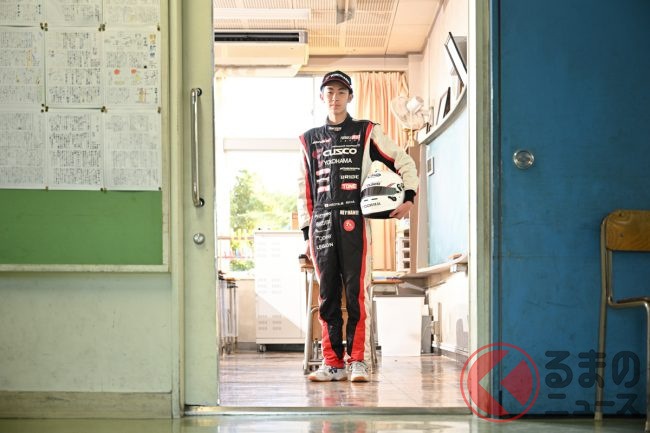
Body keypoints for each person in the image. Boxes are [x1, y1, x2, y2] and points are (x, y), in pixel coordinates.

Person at [297, 71, 418, 382]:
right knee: (327, 296)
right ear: (321, 96)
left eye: (341, 92)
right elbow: (303, 189)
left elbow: (403, 160)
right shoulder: (309, 139)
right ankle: (332, 363)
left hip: (355, 223)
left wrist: (408, 196)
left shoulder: (366, 132)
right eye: (329, 92)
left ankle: (357, 361)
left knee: (356, 294)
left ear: (350, 96)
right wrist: (307, 234)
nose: (335, 98)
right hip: (321, 225)